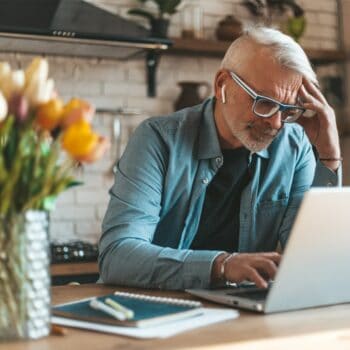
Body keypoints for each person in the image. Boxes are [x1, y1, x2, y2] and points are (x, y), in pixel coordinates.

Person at [98, 26, 342, 290]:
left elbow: (313, 260)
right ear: (222, 85)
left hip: (239, 315)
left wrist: (328, 155)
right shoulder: (158, 140)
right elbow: (117, 255)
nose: (276, 123)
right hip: (157, 308)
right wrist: (222, 266)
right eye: (264, 102)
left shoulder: (294, 148)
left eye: (287, 109)